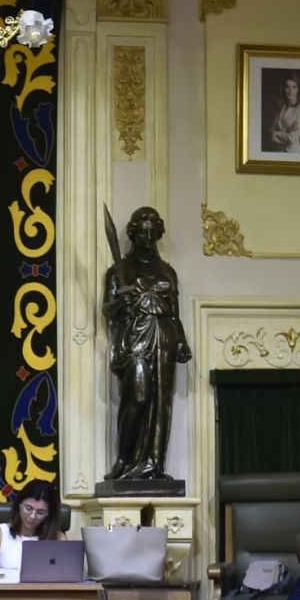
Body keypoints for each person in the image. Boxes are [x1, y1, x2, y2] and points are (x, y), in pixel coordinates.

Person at [102, 206, 190, 482]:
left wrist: (182, 341)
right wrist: (120, 302)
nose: (148, 236)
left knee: (161, 403)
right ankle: (124, 461)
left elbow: (174, 311)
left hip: (164, 334)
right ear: (134, 233)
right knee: (138, 398)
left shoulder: (167, 271)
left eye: (153, 232)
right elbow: (107, 310)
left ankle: (154, 465)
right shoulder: (119, 270)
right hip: (135, 336)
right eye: (143, 231)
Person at [0, 480, 65, 570]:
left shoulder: (58, 538)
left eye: (40, 512)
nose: (32, 516)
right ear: (19, 504)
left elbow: (67, 573)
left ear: (49, 514)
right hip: (5, 589)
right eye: (28, 508)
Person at [270, 75, 300, 153]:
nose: (290, 91)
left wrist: (275, 134)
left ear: (298, 89)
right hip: (279, 153)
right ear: (283, 89)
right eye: (287, 87)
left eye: (294, 87)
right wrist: (287, 129)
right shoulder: (281, 108)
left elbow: (292, 138)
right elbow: (270, 135)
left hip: (294, 153)